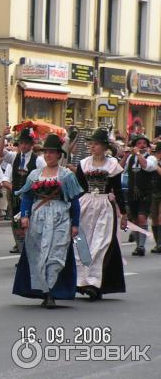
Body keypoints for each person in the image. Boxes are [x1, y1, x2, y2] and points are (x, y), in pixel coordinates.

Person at [13, 134, 82, 309]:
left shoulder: (66, 175)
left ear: (59, 155)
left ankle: (52, 291)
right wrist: (24, 215)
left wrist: (75, 224)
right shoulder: (35, 174)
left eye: (52, 152)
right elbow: (27, 197)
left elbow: (74, 201)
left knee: (56, 253)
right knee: (38, 253)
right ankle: (44, 291)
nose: (48, 155)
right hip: (39, 217)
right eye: (46, 152)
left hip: (60, 217)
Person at [74, 128, 126, 301]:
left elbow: (118, 190)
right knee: (82, 243)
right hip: (86, 205)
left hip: (104, 206)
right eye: (91, 144)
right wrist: (73, 209)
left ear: (105, 147)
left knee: (101, 244)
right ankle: (81, 281)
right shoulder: (84, 164)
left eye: (96, 144)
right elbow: (79, 188)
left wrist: (124, 214)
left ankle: (95, 284)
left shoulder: (112, 165)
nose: (92, 147)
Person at [0, 127, 46, 254]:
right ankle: (22, 255)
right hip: (15, 198)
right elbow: (0, 153)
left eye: (26, 143)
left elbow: (44, 180)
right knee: (17, 227)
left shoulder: (39, 161)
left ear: (31, 144)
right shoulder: (14, 157)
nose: (23, 146)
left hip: (31, 199)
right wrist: (3, 136)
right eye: (21, 143)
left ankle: (31, 254)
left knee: (29, 227)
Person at [120, 134, 156, 256]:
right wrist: (125, 156)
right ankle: (137, 245)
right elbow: (118, 169)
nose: (141, 145)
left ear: (147, 146)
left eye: (144, 143)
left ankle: (141, 246)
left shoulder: (152, 158)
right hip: (131, 193)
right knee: (134, 220)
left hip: (145, 193)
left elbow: (146, 166)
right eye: (139, 143)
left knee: (142, 218)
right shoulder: (130, 158)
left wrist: (138, 154)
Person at [150, 142, 161, 254]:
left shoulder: (156, 164)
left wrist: (156, 165)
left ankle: (160, 243)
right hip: (153, 192)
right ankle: (157, 242)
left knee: (160, 216)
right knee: (154, 218)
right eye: (157, 152)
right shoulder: (152, 162)